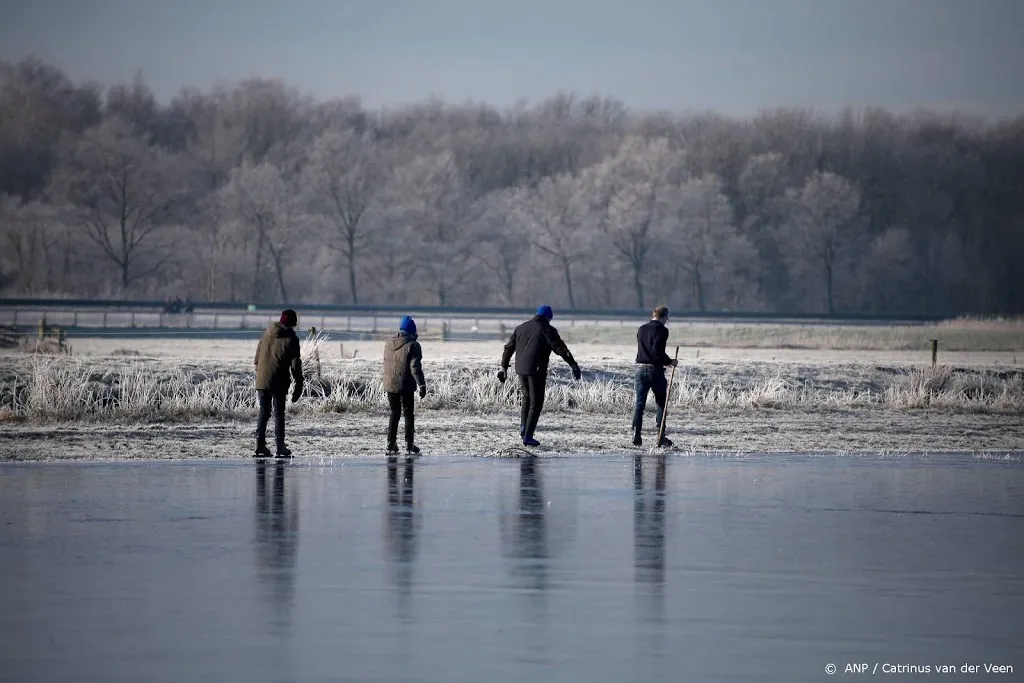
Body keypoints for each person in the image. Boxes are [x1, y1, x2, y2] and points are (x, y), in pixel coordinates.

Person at [497, 304, 581, 447]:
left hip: (521, 369)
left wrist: (503, 367)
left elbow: (508, 348)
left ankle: (524, 429)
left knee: (526, 399)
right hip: (536, 369)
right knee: (536, 403)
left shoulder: (521, 328)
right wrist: (573, 364)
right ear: (549, 318)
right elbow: (560, 348)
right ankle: (528, 436)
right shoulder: (547, 329)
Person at [254, 309, 303, 457]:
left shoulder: (266, 334)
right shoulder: (292, 339)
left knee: (264, 412)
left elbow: (256, 360)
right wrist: (299, 384)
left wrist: (262, 373)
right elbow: (295, 366)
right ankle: (280, 446)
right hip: (279, 380)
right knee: (278, 414)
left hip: (262, 380)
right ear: (293, 323)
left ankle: (260, 445)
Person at [632, 305, 678, 448]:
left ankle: (636, 433)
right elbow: (657, 352)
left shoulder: (641, 328)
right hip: (654, 370)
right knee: (661, 403)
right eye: (667, 318)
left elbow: (643, 350)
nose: (667, 321)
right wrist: (670, 362)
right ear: (664, 316)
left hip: (639, 369)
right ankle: (660, 436)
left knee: (640, 404)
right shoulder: (662, 330)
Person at [383, 316, 427, 454]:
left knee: (394, 413)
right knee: (408, 414)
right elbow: (415, 367)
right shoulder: (413, 345)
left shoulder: (388, 343)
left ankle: (391, 444)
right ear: (412, 331)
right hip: (406, 384)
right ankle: (409, 444)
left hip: (389, 383)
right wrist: (422, 385)